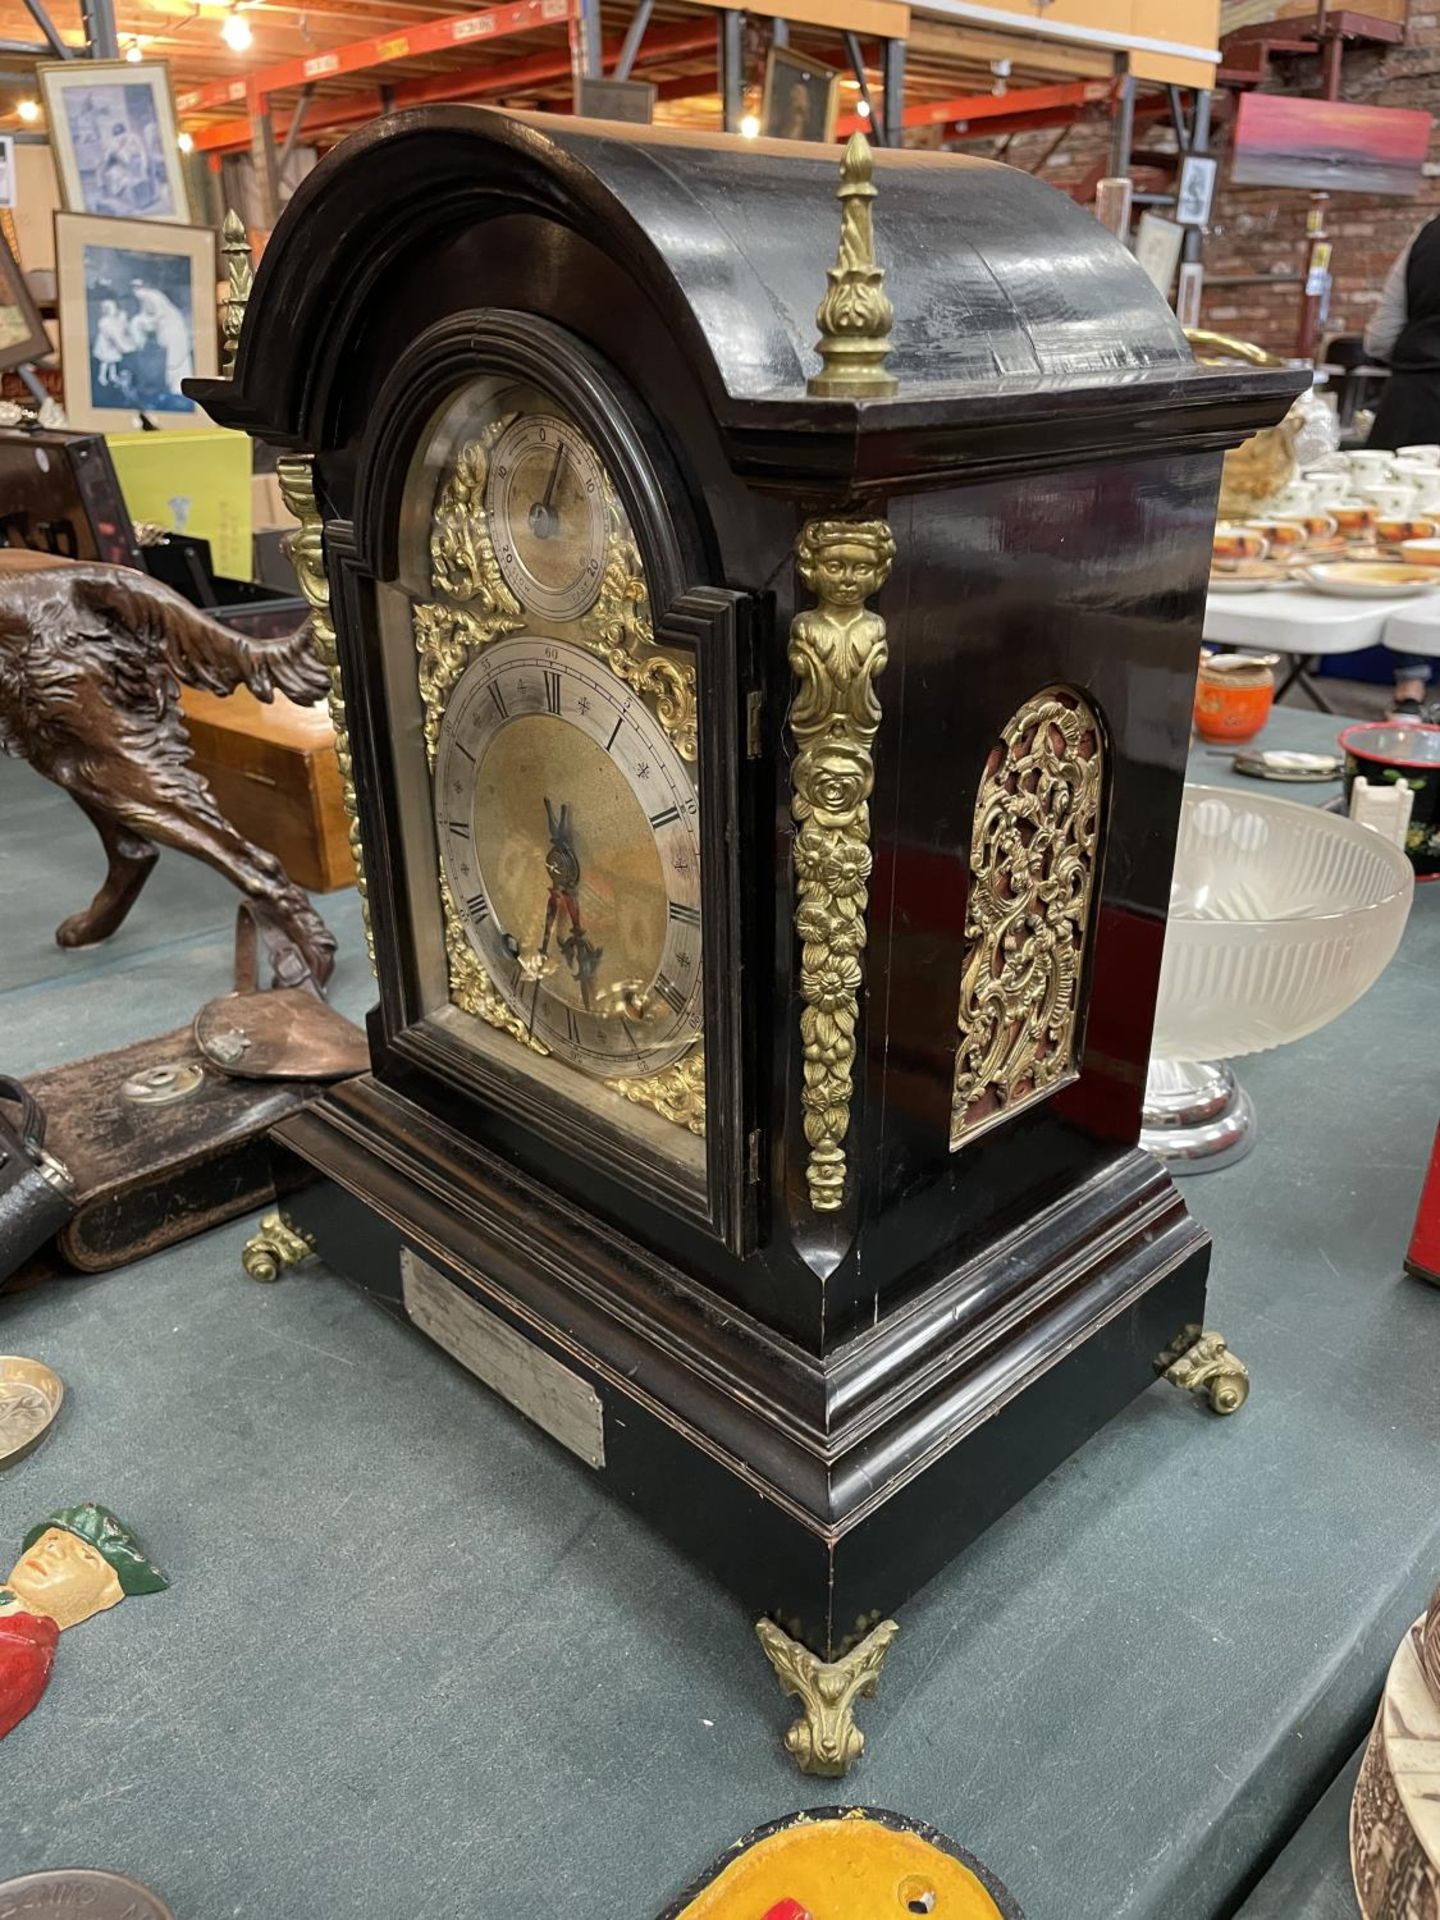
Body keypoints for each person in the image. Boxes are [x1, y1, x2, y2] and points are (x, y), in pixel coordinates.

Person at [0, 1502, 167, 1742]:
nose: (53, 1552)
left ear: (108, 1592)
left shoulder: (24, 1658)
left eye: (83, 1556)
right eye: (52, 1540)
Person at [1364, 218, 1440, 717]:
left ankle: (1409, 694)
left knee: (1407, 544)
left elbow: (1380, 337)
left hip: (1414, 407)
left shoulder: (1428, 236)